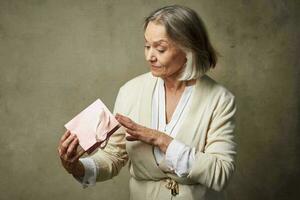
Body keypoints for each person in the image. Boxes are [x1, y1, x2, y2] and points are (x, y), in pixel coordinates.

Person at [58, 5, 237, 200]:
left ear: (189, 49)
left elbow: (221, 173)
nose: (149, 56)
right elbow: (113, 157)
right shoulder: (130, 92)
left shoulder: (220, 99)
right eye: (146, 46)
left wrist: (161, 140)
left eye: (160, 48)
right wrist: (77, 167)